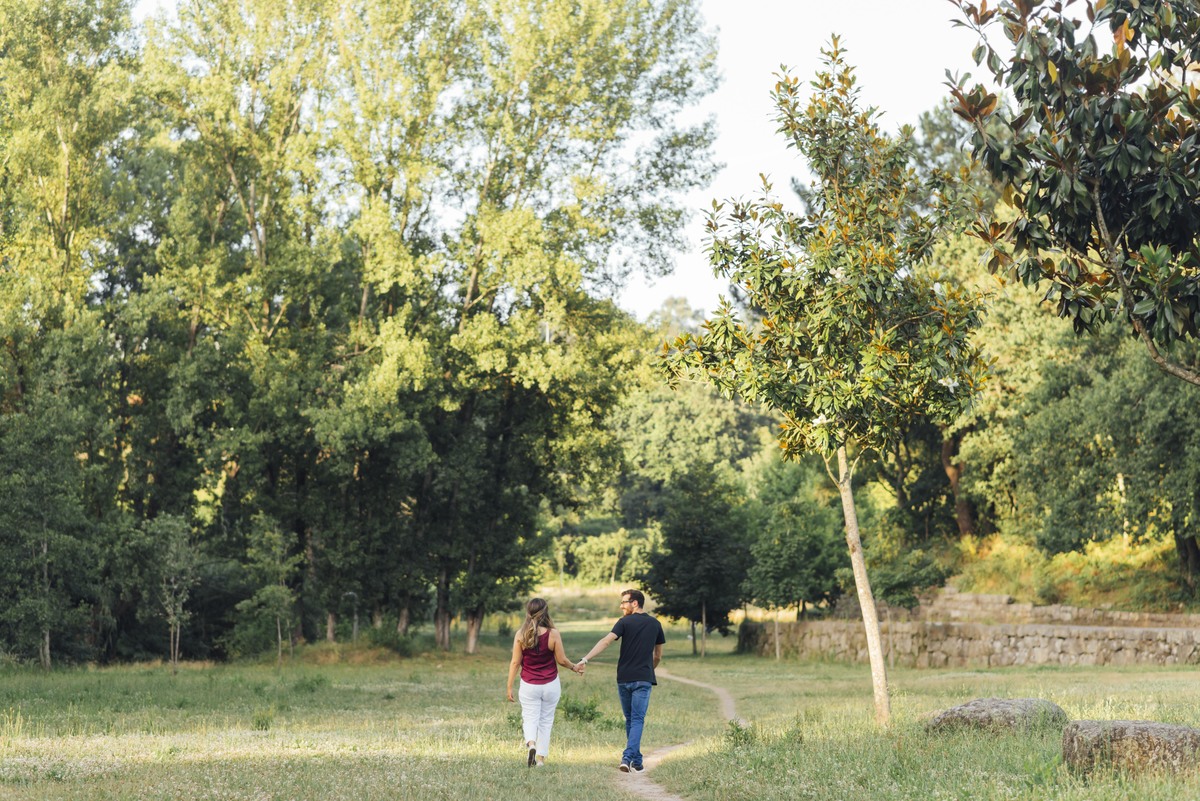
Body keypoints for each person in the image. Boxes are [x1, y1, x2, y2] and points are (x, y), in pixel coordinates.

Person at [573, 588, 665, 773]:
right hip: (643, 679)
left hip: (624, 677)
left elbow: (606, 641)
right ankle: (635, 759)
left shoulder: (624, 622)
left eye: (624, 602)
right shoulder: (655, 624)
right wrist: (648, 670)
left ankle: (628, 758)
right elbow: (657, 656)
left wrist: (585, 659)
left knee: (631, 719)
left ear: (635, 603)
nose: (621, 606)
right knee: (636, 719)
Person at [506, 597, 578, 767]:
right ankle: (540, 760)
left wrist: (509, 686)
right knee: (546, 721)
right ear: (546, 612)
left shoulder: (521, 634)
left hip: (529, 685)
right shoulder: (553, 634)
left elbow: (515, 662)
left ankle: (531, 744)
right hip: (551, 684)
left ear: (528, 612)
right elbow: (562, 660)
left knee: (530, 718)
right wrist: (574, 667)